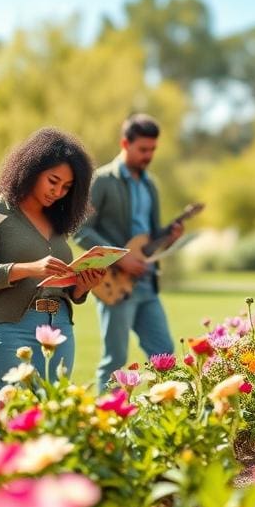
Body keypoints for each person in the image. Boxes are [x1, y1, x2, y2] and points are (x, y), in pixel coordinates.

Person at [0, 128, 104, 397]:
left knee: (53, 418)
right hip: (11, 331)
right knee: (14, 419)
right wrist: (30, 269)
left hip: (60, 329)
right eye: (53, 181)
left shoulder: (59, 221)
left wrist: (82, 288)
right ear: (32, 169)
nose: (58, 192)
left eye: (66, 187)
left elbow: (63, 288)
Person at [75, 114, 183, 391]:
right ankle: (105, 425)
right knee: (115, 361)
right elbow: (80, 230)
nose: (149, 156)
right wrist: (121, 257)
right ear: (125, 143)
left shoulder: (150, 185)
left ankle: (166, 419)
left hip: (147, 283)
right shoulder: (101, 181)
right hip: (115, 284)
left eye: (153, 150)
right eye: (143, 149)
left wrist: (169, 237)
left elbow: (151, 236)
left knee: (165, 356)